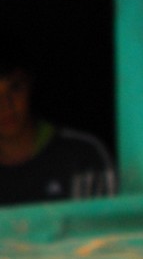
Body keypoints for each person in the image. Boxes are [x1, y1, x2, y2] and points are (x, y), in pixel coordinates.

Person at [0, 49, 117, 207]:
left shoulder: (83, 155)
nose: (5, 105)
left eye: (15, 88)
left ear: (30, 86)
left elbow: (104, 220)